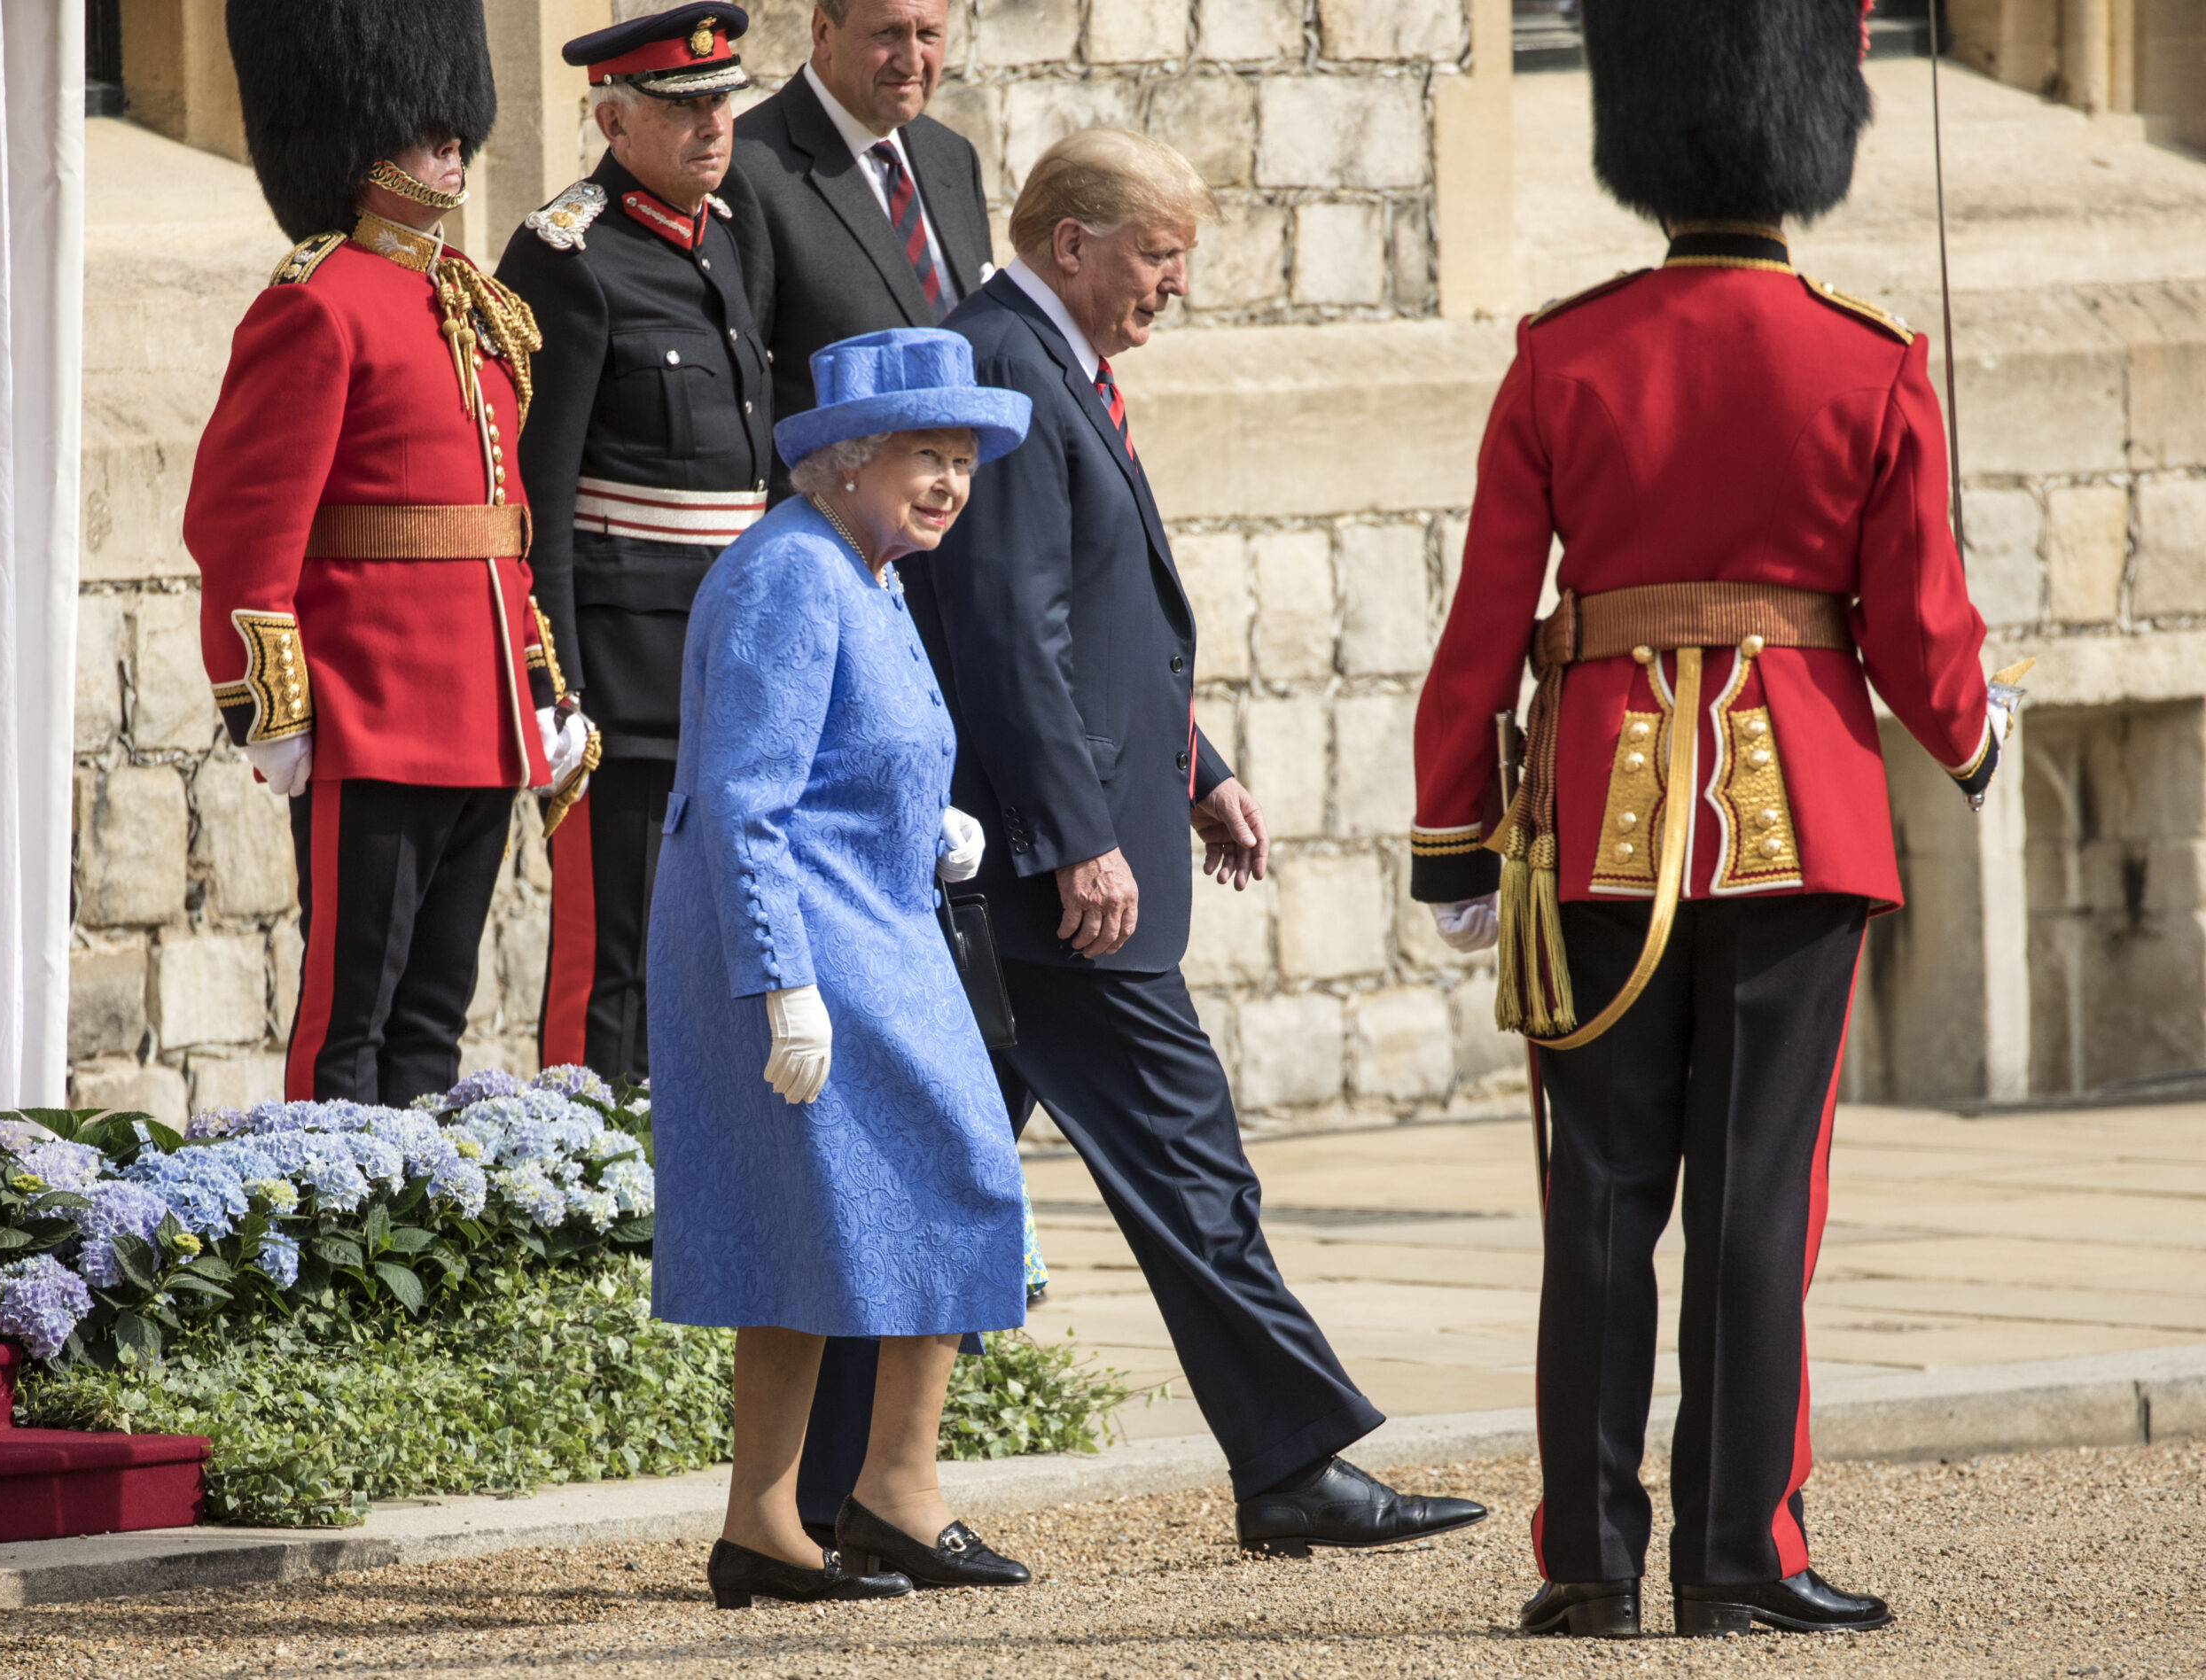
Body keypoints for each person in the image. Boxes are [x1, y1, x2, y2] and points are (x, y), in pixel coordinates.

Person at [1407, 0, 2012, 1639]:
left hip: (1599, 815)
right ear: (1806, 135)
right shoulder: (1868, 357)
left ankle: (1591, 1558)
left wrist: (1454, 833)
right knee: (1759, 1195)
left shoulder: (1564, 351)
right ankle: (1742, 1547)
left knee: (1600, 1197)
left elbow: (1481, 626)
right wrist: (1971, 740)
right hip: (1799, 819)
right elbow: (1916, 626)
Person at [899, 128, 1488, 1556]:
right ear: (1073, 244)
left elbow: (1100, 628)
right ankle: (1292, 1462)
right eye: (1160, 255)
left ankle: (849, 1493)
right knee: (1187, 1159)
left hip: (1064, 854)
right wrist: (1078, 840)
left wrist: (1197, 770)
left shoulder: (1044, 360)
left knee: (938, 1185)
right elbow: (1004, 635)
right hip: (1056, 893)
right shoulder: (1002, 367)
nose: (1174, 285)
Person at [647, 328, 1036, 1607]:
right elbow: (747, 802)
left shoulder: (865, 570)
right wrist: (780, 981)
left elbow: (849, 760)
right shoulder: (792, 575)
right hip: (812, 939)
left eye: (962, 461)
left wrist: (932, 825)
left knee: (890, 1199)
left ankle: (838, 1509)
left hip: (879, 921)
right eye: (927, 456)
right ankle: (833, 1509)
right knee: (884, 1194)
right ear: (852, 458)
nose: (950, 483)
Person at [186, 0, 588, 1105]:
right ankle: (332, 1253)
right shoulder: (319, 304)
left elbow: (507, 527)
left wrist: (540, 684)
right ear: (359, 136)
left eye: (454, 123)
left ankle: (419, 1250)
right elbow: (244, 519)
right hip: (371, 706)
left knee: (430, 1026)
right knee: (348, 1022)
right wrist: (267, 703)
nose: (451, 140)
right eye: (424, 125)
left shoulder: (468, 305)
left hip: (482, 711)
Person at [496, 5, 773, 1083]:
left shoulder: (728, 230)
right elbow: (537, 493)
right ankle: (589, 1203)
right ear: (615, 123)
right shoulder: (566, 254)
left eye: (722, 104)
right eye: (684, 108)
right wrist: (551, 677)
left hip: (729, 652)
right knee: (613, 958)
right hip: (620, 664)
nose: (714, 126)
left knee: (711, 953)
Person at [719, 0, 993, 489]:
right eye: (888, 34)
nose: (912, 62)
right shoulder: (747, 170)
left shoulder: (952, 157)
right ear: (824, 31)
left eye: (928, 35)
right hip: (835, 530)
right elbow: (740, 397)